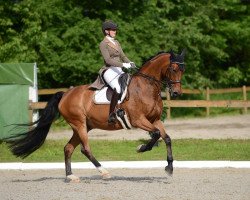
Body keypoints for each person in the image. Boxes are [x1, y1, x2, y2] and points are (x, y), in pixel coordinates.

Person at [89, 20, 134, 124]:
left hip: (118, 69)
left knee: (131, 84)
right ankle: (111, 114)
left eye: (115, 30)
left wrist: (130, 62)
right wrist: (123, 65)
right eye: (113, 30)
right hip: (108, 70)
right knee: (117, 88)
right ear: (106, 31)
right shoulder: (103, 44)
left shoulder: (116, 42)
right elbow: (108, 60)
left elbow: (122, 56)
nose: (115, 31)